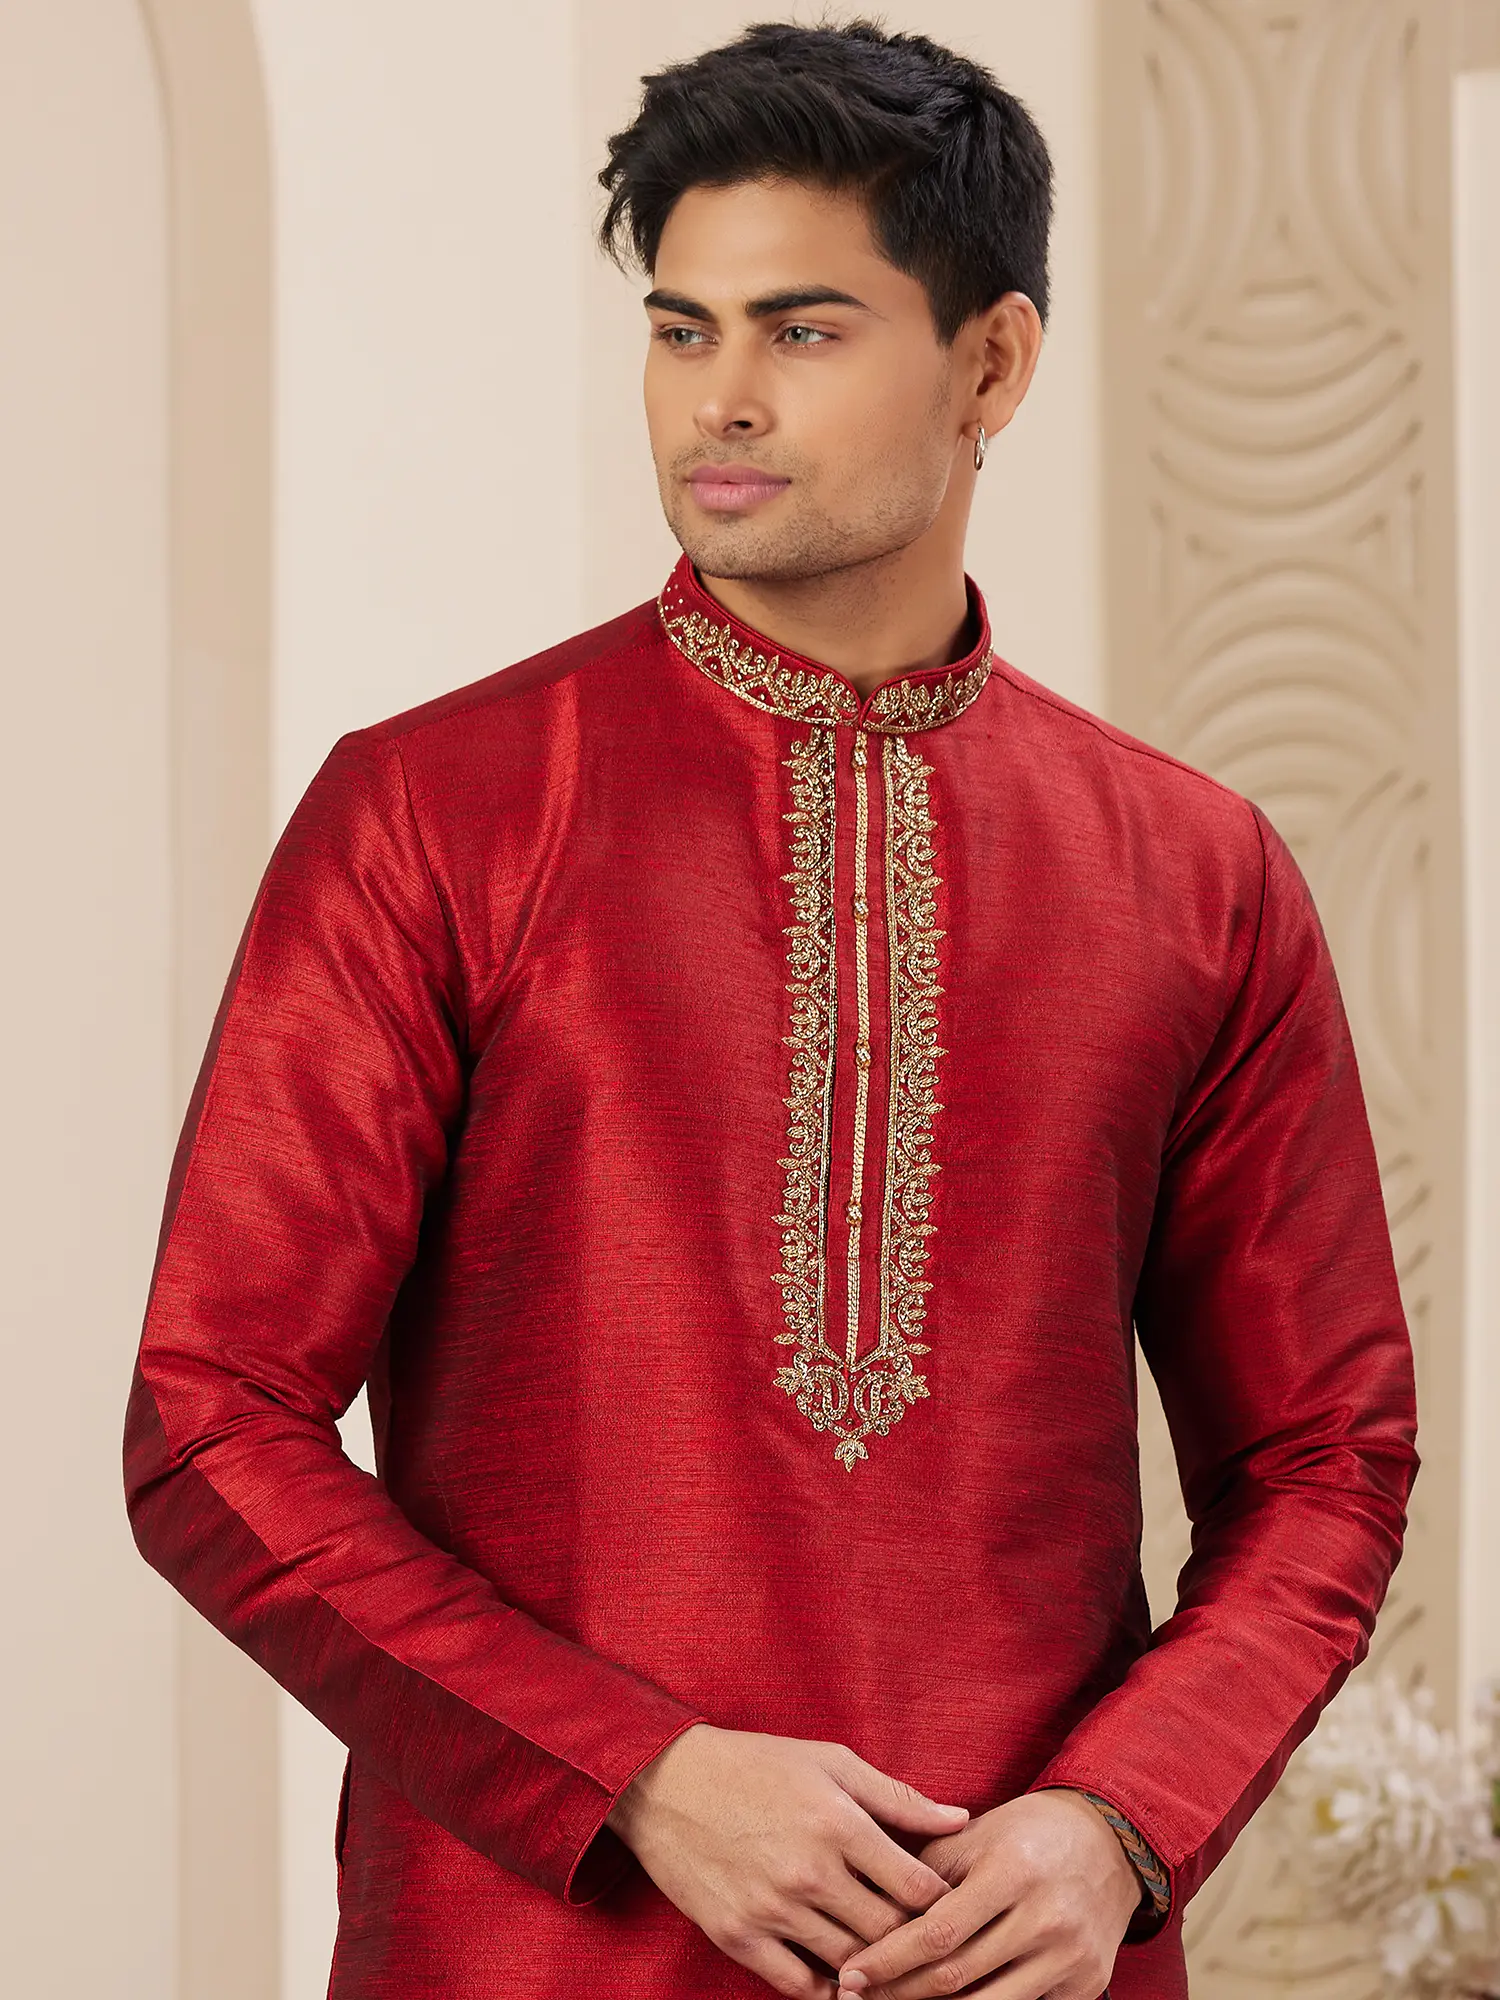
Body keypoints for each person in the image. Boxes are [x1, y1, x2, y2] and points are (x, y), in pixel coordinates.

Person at [122, 21, 1419, 2000]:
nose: (717, 398)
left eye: (803, 331)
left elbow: (1324, 1458)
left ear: (991, 365)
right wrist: (631, 1770)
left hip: (1021, 1962)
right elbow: (210, 1422)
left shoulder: (1195, 873)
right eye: (681, 329)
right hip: (531, 1953)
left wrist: (1120, 1822)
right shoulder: (438, 814)